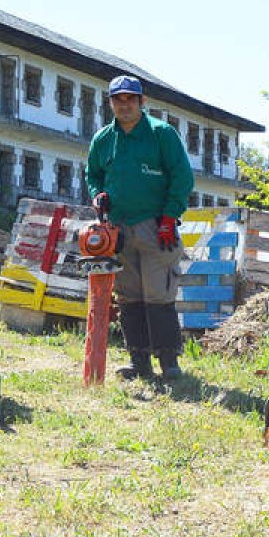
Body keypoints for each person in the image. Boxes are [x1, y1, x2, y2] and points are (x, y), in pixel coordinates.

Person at [85, 75, 195, 381]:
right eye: (118, 100)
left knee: (158, 294)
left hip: (156, 224)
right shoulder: (103, 139)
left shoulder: (162, 134)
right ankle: (139, 362)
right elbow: (92, 173)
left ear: (142, 101)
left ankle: (169, 361)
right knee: (128, 296)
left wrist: (170, 217)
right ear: (110, 104)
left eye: (130, 99)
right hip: (117, 227)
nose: (124, 105)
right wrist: (97, 194)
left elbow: (182, 178)